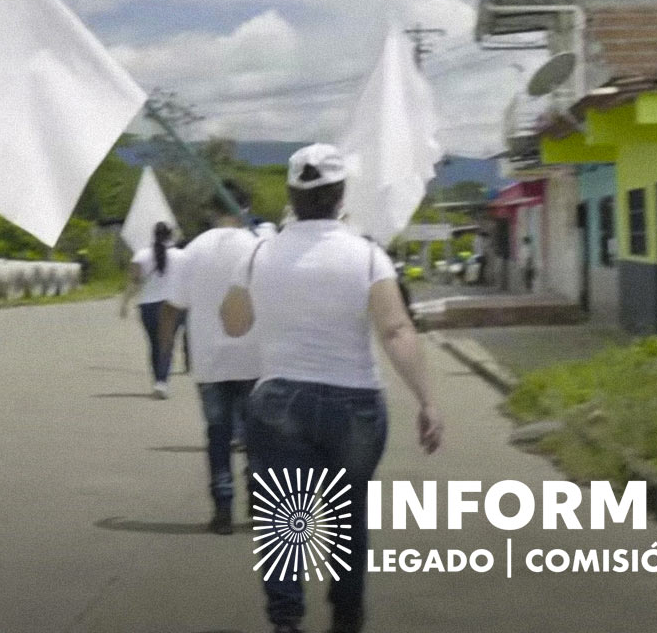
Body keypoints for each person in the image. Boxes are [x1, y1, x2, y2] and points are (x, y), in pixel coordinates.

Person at [227, 144, 443, 633]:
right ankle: (347, 618)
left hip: (279, 399)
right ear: (340, 195)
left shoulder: (261, 252)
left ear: (291, 195)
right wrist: (427, 401)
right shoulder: (368, 257)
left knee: (283, 520)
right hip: (356, 404)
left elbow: (234, 324)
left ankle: (286, 620)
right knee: (349, 518)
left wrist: (246, 271)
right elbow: (396, 330)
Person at [157, 181, 260, 534]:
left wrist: (164, 355)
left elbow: (173, 308)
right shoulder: (259, 246)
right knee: (256, 436)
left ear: (212, 211)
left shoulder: (192, 251)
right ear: (245, 207)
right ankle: (259, 502)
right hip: (254, 358)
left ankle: (222, 508)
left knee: (218, 434)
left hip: (210, 360)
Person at [123, 220, 182, 397]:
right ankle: (162, 382)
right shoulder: (180, 255)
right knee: (167, 345)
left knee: (155, 345)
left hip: (147, 306)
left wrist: (125, 303)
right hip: (172, 306)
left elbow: (134, 281)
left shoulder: (141, 255)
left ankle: (158, 380)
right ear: (170, 235)